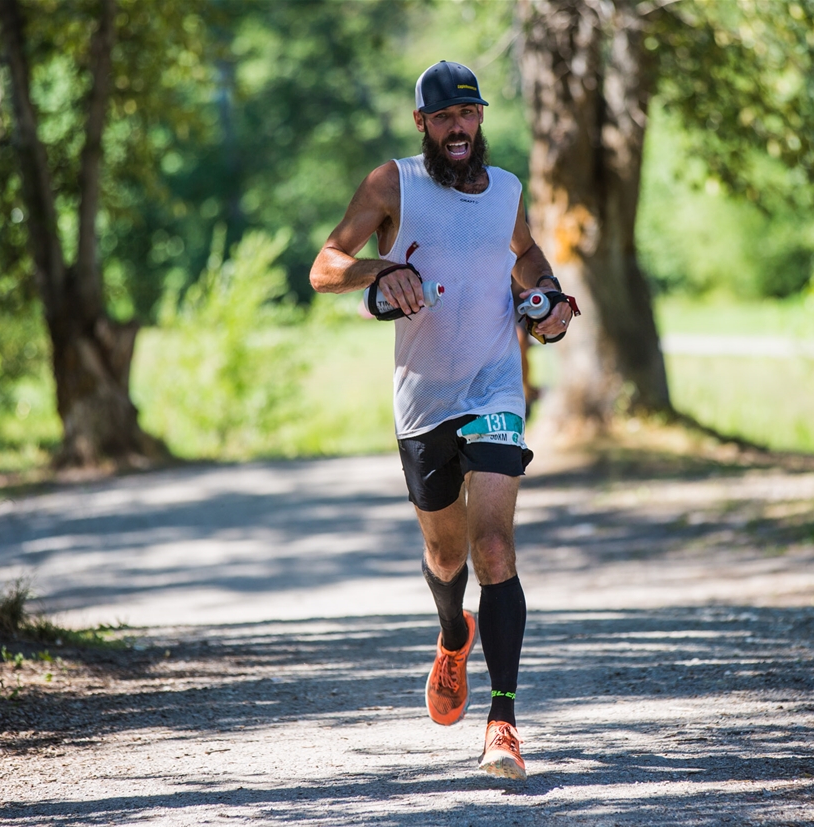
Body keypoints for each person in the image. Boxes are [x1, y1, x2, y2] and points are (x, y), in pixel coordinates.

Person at [310, 60, 574, 780]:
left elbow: (523, 257)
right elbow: (325, 264)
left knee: (494, 548)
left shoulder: (508, 191)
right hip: (424, 400)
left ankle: (504, 722)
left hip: (496, 388)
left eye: (470, 113)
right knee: (448, 557)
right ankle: (452, 634)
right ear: (423, 125)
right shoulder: (393, 184)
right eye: (445, 117)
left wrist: (549, 302)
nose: (460, 127)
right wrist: (378, 271)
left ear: (480, 119)